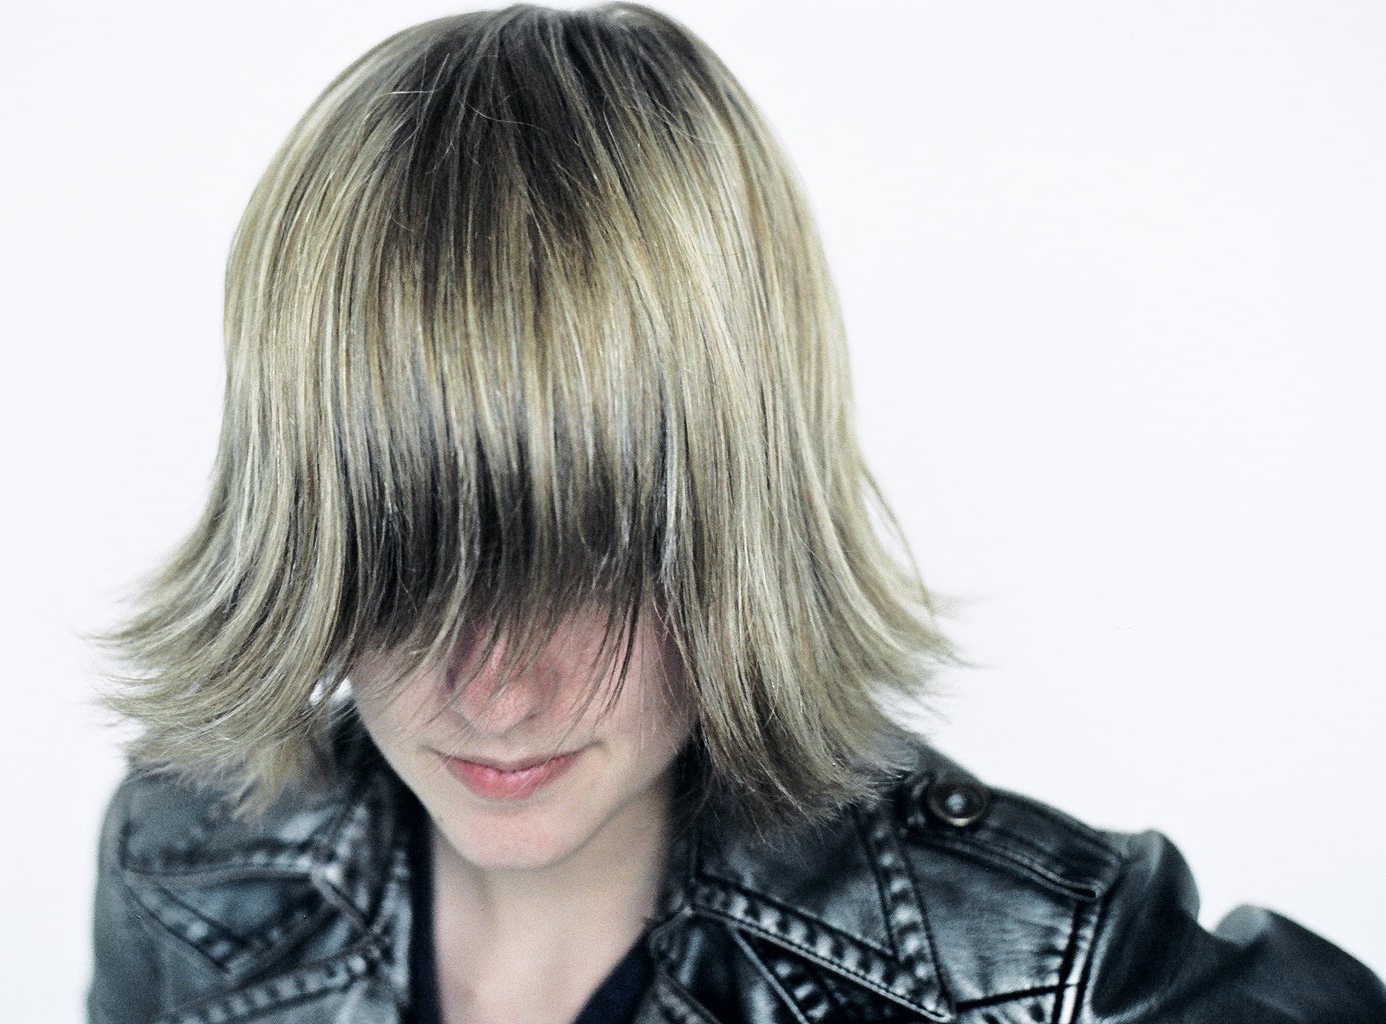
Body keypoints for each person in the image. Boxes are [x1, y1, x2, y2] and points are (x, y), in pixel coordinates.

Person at [85, 4, 1386, 1023]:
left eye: (599, 556)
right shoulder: (184, 862)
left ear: (740, 518)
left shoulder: (1030, 972)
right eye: (411, 559)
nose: (497, 694)